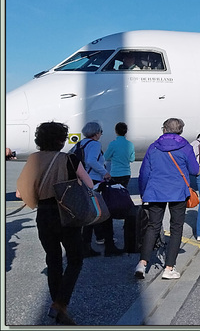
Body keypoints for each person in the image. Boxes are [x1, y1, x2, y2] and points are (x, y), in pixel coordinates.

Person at [16, 121, 94, 325]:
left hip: (44, 214)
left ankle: (58, 306)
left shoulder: (33, 159)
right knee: (75, 259)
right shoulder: (69, 159)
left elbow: (19, 192)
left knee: (53, 260)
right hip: (67, 214)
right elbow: (89, 184)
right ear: (61, 140)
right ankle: (60, 303)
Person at [135, 118, 200, 280]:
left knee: (153, 226)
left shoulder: (153, 147)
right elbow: (194, 169)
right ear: (181, 131)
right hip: (178, 191)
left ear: (164, 129)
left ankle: (142, 263)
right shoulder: (185, 147)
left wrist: (143, 192)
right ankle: (169, 267)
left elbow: (144, 173)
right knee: (176, 228)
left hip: (155, 191)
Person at [73, 122, 119, 256]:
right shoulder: (94, 144)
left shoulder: (80, 144)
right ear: (96, 133)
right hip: (94, 181)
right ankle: (108, 244)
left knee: (90, 213)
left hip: (83, 181)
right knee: (103, 212)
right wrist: (104, 172)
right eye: (100, 132)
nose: (101, 134)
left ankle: (87, 244)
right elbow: (91, 161)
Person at [103, 121, 137, 253]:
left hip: (115, 173)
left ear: (116, 131)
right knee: (124, 197)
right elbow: (132, 159)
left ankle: (111, 225)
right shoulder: (129, 144)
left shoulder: (113, 143)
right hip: (126, 174)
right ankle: (126, 223)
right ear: (126, 131)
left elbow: (106, 157)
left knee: (112, 200)